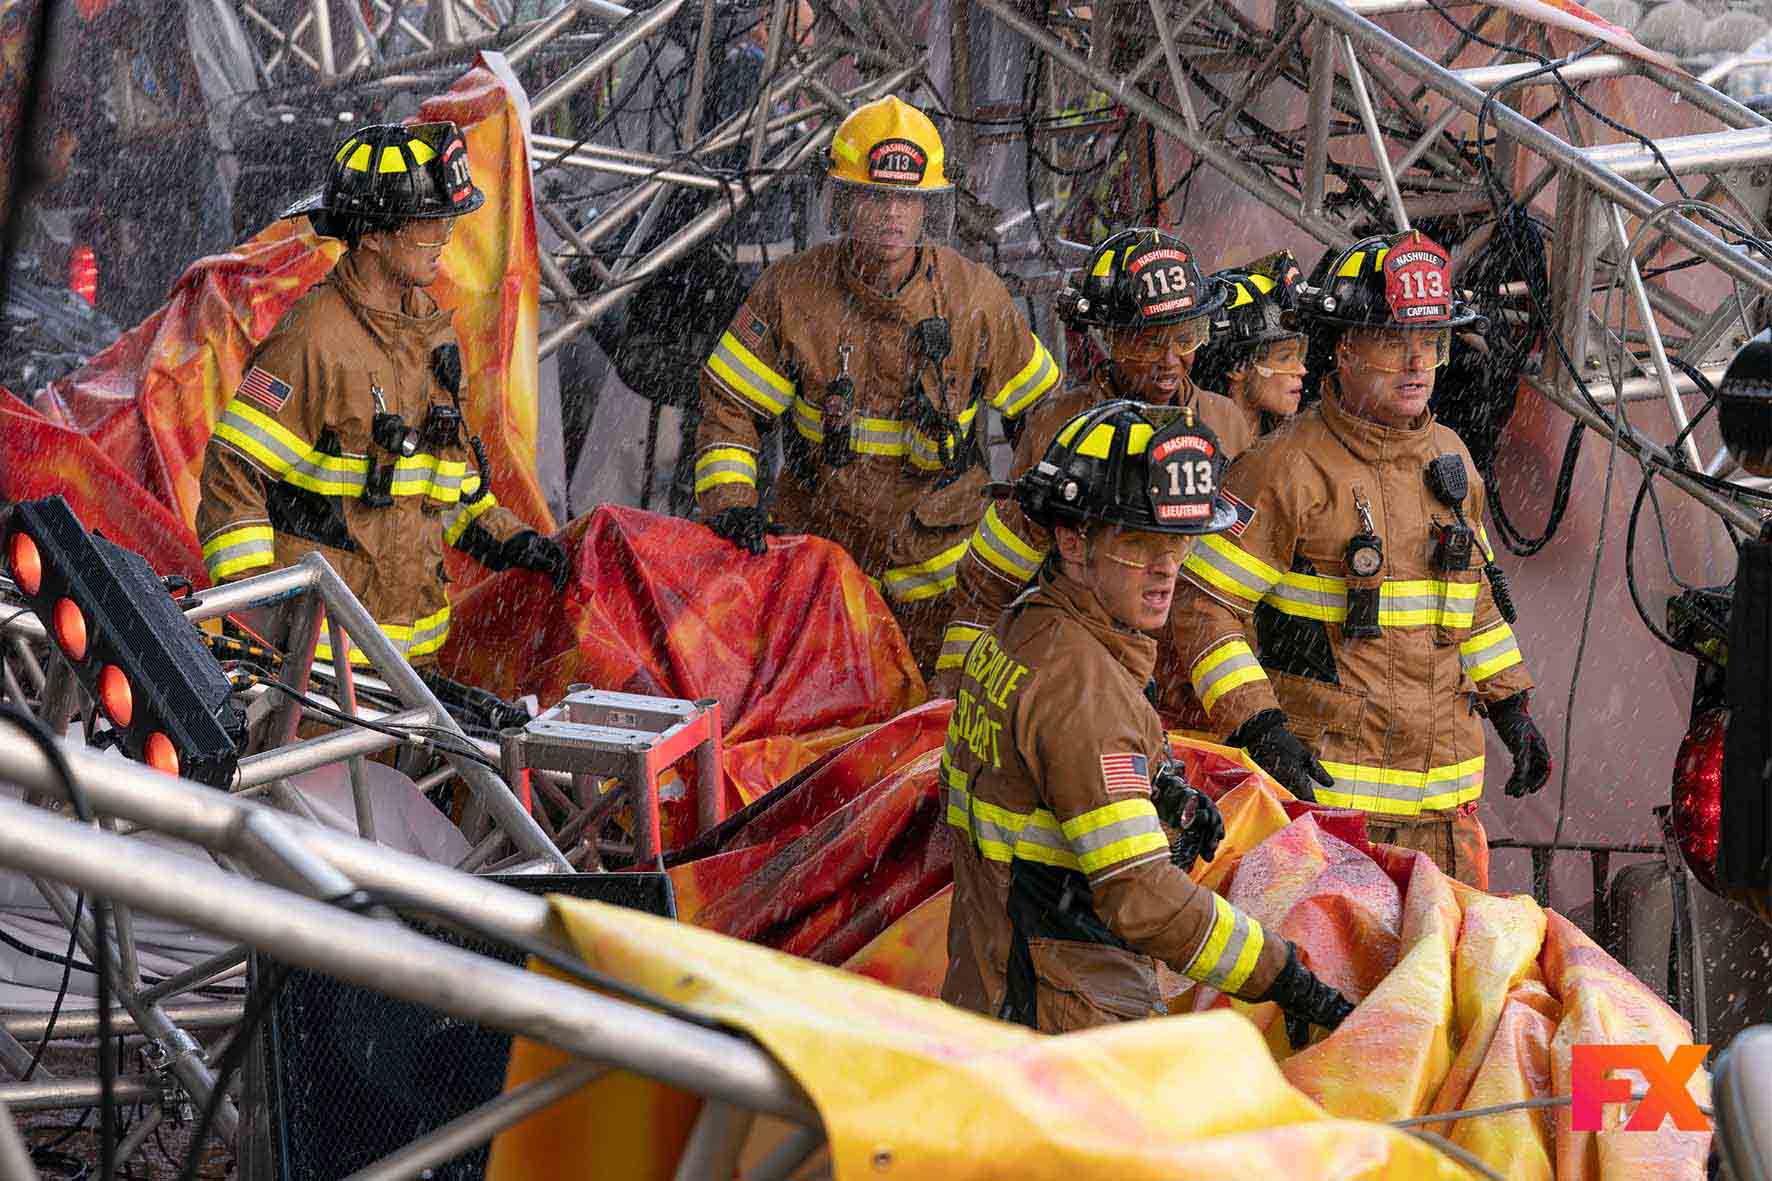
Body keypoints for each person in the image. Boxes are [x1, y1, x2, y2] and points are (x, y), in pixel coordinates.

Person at [941, 399, 1356, 1036]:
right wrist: (1286, 977)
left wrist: (1158, 789)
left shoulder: (1026, 628)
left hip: (999, 986)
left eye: (1179, 543)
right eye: (1139, 543)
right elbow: (1141, 898)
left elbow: (1036, 801)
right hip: (1066, 1025)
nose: (1167, 569)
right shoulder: (1084, 690)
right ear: (1073, 541)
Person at [1170, 230, 1551, 888]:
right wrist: (1259, 723)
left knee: (1440, 990)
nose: (1416, 361)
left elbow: (1476, 606)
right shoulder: (1283, 468)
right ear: (1343, 346)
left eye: (1430, 342)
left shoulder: (1451, 458)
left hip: (1445, 819)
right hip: (1329, 817)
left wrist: (1511, 708)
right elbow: (1205, 607)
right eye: (1390, 339)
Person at [691, 94, 1059, 675]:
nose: (891, 214)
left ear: (926, 210)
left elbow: (1044, 424)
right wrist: (732, 503)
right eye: (876, 196)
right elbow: (731, 409)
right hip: (822, 572)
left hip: (947, 584)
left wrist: (1028, 542)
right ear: (844, 202)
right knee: (820, 733)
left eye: (907, 200)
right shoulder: (791, 293)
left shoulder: (975, 299)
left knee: (938, 733)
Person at [195, 122, 567, 669]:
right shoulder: (313, 339)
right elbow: (232, 476)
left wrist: (505, 538)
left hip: (413, 667)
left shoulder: (431, 334)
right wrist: (260, 609)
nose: (444, 236)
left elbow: (441, 480)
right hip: (323, 670)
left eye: (446, 220)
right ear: (372, 234)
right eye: (427, 223)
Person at [932, 228, 1247, 694]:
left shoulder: (1226, 423)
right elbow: (991, 583)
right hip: (1082, 674)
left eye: (1186, 337)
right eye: (1145, 343)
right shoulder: (1058, 428)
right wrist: (954, 698)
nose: (1170, 362)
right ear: (1106, 339)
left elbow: (1233, 588)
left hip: (1191, 684)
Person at [1190, 251, 1309, 439]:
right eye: (1285, 357)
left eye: (1299, 354)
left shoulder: (1292, 437)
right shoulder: (1193, 440)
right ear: (1237, 367)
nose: (1302, 370)